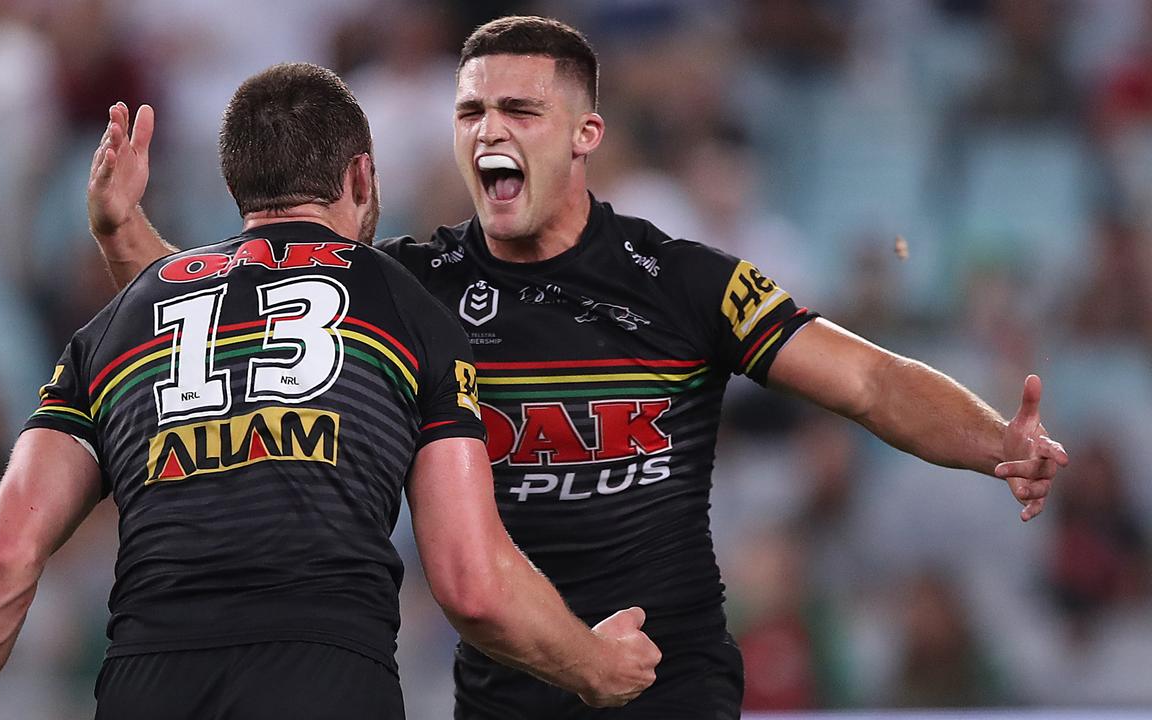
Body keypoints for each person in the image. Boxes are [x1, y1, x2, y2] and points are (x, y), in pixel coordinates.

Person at [88, 17, 1069, 720]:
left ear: (586, 134)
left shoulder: (683, 284)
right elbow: (213, 331)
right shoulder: (399, 289)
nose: (487, 132)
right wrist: (129, 236)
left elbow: (863, 381)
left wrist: (993, 441)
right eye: (470, 110)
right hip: (506, 690)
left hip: (664, 680)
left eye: (519, 108)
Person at [0, 62, 662, 720]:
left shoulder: (119, 323)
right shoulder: (409, 312)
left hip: (149, 683)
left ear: (235, 185)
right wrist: (594, 666)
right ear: (362, 178)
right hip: (326, 679)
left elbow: (6, 552)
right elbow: (470, 583)